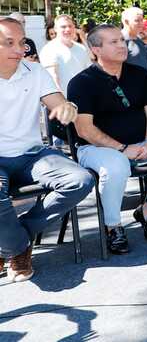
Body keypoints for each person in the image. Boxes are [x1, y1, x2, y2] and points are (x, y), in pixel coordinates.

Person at [67, 24, 147, 254]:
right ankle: (113, 226)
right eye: (113, 42)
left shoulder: (139, 74)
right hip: (95, 148)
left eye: (121, 40)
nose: (122, 45)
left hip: (140, 143)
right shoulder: (81, 82)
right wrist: (121, 148)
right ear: (96, 49)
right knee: (117, 167)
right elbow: (85, 130)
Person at [0, 17, 94, 282]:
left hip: (33, 155)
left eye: (21, 42)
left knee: (81, 180)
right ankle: (16, 248)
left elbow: (61, 104)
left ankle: (14, 241)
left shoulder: (35, 72)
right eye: (9, 43)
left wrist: (67, 108)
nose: (20, 50)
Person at [39, 14, 91, 96]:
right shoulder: (49, 49)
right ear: (56, 29)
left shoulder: (81, 48)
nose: (67, 29)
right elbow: (53, 79)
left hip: (84, 99)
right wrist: (63, 102)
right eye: (63, 27)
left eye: (70, 26)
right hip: (64, 102)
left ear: (74, 27)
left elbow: (89, 74)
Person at [120, 6, 147, 74]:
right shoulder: (119, 41)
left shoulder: (139, 40)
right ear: (126, 22)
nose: (141, 24)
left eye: (141, 20)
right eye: (137, 21)